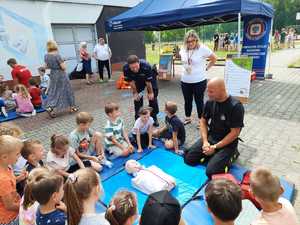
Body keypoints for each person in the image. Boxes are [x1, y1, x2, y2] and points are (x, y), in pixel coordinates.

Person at [184, 78, 244, 178]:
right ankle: (212, 154)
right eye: (208, 90)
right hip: (211, 138)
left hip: (228, 144)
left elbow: (235, 133)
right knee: (189, 159)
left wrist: (215, 147)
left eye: (211, 91)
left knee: (211, 172)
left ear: (222, 90)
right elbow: (203, 121)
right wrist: (205, 142)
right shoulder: (210, 102)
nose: (208, 93)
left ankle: (233, 153)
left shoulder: (236, 106)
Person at [179, 30, 217, 126]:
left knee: (198, 101)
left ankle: (202, 120)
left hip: (199, 81)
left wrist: (206, 68)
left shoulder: (202, 48)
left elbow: (214, 58)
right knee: (187, 101)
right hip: (185, 80)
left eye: (193, 40)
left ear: (196, 40)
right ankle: (188, 118)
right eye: (188, 41)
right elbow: (183, 61)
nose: (190, 43)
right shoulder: (183, 49)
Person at [44, 40, 78, 118]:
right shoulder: (57, 55)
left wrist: (54, 65)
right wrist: (63, 61)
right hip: (61, 75)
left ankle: (50, 107)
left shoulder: (46, 56)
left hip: (53, 74)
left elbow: (46, 66)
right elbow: (63, 67)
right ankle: (72, 107)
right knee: (67, 90)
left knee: (54, 91)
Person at [123, 55, 159, 126]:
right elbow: (131, 82)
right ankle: (138, 119)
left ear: (139, 63)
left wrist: (150, 93)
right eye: (132, 68)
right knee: (137, 99)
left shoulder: (146, 66)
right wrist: (135, 93)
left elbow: (148, 82)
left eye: (136, 66)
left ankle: (154, 117)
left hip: (150, 79)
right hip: (138, 79)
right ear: (129, 66)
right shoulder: (126, 68)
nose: (135, 69)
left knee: (152, 98)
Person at [0, 135, 23, 225]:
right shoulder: (3, 179)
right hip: (10, 218)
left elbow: (8, 187)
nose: (20, 156)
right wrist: (26, 208)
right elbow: (10, 206)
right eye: (17, 154)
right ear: (5, 157)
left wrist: (18, 179)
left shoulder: (6, 167)